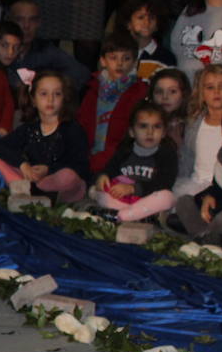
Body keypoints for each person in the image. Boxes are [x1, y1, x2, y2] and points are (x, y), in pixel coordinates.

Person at [0, 69, 90, 201]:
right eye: (44, 94)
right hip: (34, 179)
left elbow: (79, 163)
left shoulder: (72, 129)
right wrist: (22, 165)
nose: (50, 99)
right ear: (33, 100)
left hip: (59, 180)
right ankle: (24, 192)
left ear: (64, 98)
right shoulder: (29, 129)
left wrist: (48, 170)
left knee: (69, 176)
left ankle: (52, 195)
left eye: (57, 94)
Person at [90, 101, 179, 220]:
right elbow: (110, 169)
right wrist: (103, 176)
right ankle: (133, 215)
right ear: (132, 132)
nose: (150, 132)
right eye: (143, 126)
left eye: (156, 126)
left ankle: (121, 215)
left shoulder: (167, 154)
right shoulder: (125, 151)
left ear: (163, 133)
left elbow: (165, 183)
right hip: (123, 199)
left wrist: (133, 188)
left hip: (148, 199)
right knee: (100, 189)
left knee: (168, 197)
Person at [78, 30, 149, 171]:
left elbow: (132, 135)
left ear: (135, 62)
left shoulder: (140, 92)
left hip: (121, 159)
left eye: (126, 58)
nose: (119, 63)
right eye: (113, 58)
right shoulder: (92, 88)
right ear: (103, 61)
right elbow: (82, 124)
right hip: (89, 155)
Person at [6, 0, 92, 90]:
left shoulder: (45, 49)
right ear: (10, 22)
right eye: (20, 20)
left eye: (33, 20)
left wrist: (47, 86)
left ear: (39, 23)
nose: (26, 26)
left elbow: (82, 74)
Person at [174, 62, 222, 202]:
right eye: (210, 87)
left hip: (219, 187)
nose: (216, 92)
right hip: (195, 184)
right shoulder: (195, 123)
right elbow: (187, 156)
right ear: (201, 92)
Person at [118, 0, 177, 79]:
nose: (146, 23)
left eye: (152, 18)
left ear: (157, 25)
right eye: (140, 17)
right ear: (128, 23)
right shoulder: (117, 53)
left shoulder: (166, 58)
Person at [151, 65, 191, 145]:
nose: (165, 97)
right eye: (159, 92)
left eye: (172, 91)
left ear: (184, 94)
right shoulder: (144, 122)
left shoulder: (192, 125)